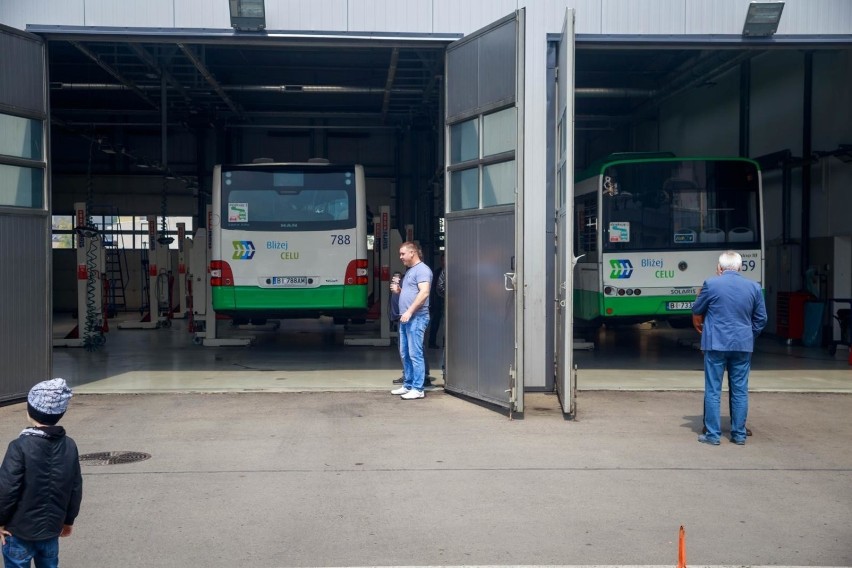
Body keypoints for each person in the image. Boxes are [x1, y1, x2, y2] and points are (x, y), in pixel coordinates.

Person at [0, 378, 83, 568]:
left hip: (18, 531)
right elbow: (75, 486)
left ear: (31, 411)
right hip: (51, 530)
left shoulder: (20, 446)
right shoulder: (69, 445)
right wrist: (68, 520)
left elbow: (7, 488)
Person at [692, 251, 767, 445]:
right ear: (740, 267)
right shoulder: (754, 287)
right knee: (740, 390)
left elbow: (697, 309)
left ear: (720, 267)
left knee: (713, 390)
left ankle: (713, 435)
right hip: (742, 344)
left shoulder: (711, 284)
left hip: (716, 343)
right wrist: (749, 335)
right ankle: (739, 435)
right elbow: (761, 319)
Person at [390, 241, 432, 400]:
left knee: (415, 353)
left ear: (412, 253)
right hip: (406, 317)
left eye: (402, 254)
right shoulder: (411, 271)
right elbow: (413, 292)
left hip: (416, 317)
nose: (400, 257)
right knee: (405, 353)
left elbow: (424, 293)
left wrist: (409, 311)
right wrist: (400, 291)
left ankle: (418, 388)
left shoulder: (422, 270)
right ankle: (408, 385)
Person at [428, 254, 445, 349]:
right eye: (443, 260)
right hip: (438, 300)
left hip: (449, 301)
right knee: (435, 321)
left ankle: (445, 342)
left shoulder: (451, 272)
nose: (444, 262)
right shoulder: (437, 272)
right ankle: (432, 342)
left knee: (448, 322)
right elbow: (433, 288)